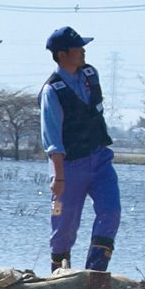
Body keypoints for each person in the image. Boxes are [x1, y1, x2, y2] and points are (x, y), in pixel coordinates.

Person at [38, 26, 119, 275]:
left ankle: (95, 275)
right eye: (78, 48)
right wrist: (58, 177)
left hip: (100, 158)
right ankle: (60, 277)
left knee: (111, 211)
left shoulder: (90, 74)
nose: (83, 51)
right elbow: (53, 139)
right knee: (64, 227)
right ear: (62, 55)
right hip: (69, 166)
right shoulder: (52, 90)